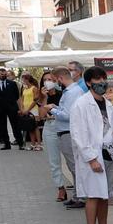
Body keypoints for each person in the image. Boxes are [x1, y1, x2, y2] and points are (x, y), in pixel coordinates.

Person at [71, 66, 113, 224]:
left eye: (104, 79)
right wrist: (91, 158)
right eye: (97, 80)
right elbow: (78, 134)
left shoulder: (107, 103)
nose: (102, 83)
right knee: (93, 195)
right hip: (93, 157)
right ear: (88, 83)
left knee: (104, 195)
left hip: (109, 154)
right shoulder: (81, 104)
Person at [48, 62, 88, 208]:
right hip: (65, 131)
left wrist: (51, 109)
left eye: (53, 80)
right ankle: (78, 195)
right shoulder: (71, 91)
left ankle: (81, 197)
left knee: (74, 165)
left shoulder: (73, 92)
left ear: (59, 79)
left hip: (68, 131)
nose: (52, 83)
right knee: (73, 166)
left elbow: (68, 115)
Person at [39, 73, 68, 201]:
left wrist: (55, 110)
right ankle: (60, 188)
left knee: (71, 159)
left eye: (50, 79)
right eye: (45, 80)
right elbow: (41, 116)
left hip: (65, 127)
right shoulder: (42, 96)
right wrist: (44, 98)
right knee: (54, 161)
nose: (47, 82)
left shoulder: (64, 94)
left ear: (56, 80)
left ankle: (80, 189)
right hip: (50, 127)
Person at [0, 67, 22, 150]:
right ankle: (6, 144)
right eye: (1, 74)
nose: (3, 75)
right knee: (2, 126)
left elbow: (17, 95)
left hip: (11, 108)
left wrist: (12, 103)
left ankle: (20, 143)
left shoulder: (12, 83)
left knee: (15, 126)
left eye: (5, 74)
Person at [18, 74, 42, 150]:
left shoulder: (34, 88)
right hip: (25, 110)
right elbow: (22, 99)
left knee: (35, 127)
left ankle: (39, 144)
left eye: (23, 79)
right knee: (30, 127)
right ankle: (32, 144)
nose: (23, 81)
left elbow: (35, 100)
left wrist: (28, 110)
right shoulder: (24, 89)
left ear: (27, 79)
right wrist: (22, 109)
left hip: (33, 109)